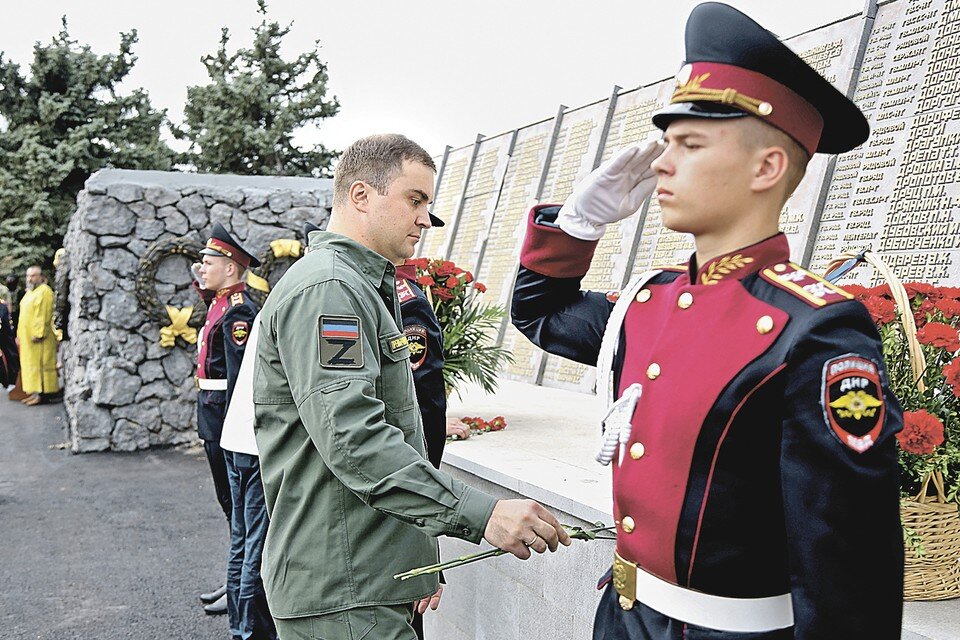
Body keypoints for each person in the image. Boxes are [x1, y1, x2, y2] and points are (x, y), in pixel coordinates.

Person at [511, 3, 903, 638]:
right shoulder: (650, 302)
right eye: (666, 143)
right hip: (622, 618)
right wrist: (576, 227)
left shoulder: (815, 330)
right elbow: (543, 315)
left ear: (766, 167)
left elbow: (847, 562)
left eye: (688, 144)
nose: (661, 164)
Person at [253, 133, 571, 640]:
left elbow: (395, 435)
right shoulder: (330, 291)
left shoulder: (358, 285)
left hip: (367, 577)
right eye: (415, 199)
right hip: (346, 589)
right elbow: (354, 443)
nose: (426, 218)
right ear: (361, 196)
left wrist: (416, 556)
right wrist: (483, 513)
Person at [192, 223, 260, 624]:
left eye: (209, 261)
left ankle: (237, 589)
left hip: (225, 420)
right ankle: (232, 581)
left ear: (231, 268)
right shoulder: (220, 304)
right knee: (230, 507)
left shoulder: (239, 312)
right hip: (212, 414)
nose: (202, 268)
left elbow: (238, 380)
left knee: (238, 509)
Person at [16, 266, 58, 405]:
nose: (30, 278)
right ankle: (35, 392)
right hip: (28, 339)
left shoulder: (44, 291)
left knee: (41, 366)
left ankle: (43, 395)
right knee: (32, 366)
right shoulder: (30, 293)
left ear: (40, 276)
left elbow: (43, 314)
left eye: (33, 276)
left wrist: (39, 333)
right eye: (28, 276)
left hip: (39, 338)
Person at [0, 301, 19, 390]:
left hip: (4, 330)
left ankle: (13, 381)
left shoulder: (2, 307)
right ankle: (6, 381)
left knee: (10, 352)